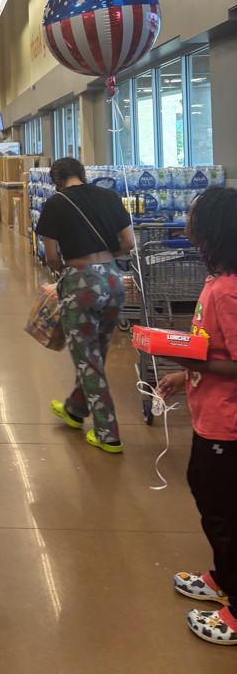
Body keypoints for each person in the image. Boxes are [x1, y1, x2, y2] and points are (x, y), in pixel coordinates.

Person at [156, 187, 237, 647]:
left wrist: (193, 364)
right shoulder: (216, 281)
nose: (184, 219)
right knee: (207, 496)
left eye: (192, 214)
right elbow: (213, 347)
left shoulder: (228, 291)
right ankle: (223, 576)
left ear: (212, 231)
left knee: (226, 514)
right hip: (209, 416)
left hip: (228, 423)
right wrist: (181, 375)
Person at [36, 157, 135, 452]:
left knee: (87, 358)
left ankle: (109, 434)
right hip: (115, 281)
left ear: (56, 180)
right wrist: (104, 257)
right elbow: (129, 242)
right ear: (82, 173)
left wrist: (70, 269)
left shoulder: (55, 203)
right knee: (96, 352)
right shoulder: (110, 196)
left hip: (81, 284)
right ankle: (75, 410)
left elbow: (52, 255)